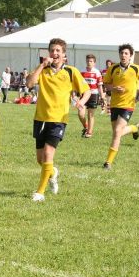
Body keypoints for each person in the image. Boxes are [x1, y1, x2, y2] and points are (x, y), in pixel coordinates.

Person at [26, 38, 90, 202]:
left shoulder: (71, 72)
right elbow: (29, 84)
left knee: (48, 154)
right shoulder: (44, 70)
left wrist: (81, 103)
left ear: (64, 54)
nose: (55, 54)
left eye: (58, 51)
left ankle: (40, 193)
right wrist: (41, 65)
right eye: (52, 51)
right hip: (40, 118)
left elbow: (87, 91)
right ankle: (53, 173)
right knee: (40, 160)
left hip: (59, 120)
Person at [102, 44, 139, 169]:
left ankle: (108, 162)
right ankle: (134, 128)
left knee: (117, 132)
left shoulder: (136, 69)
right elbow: (106, 84)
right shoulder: (113, 68)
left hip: (128, 104)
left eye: (126, 53)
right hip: (115, 104)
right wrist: (113, 88)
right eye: (122, 53)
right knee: (117, 132)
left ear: (130, 56)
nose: (123, 55)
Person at [78, 54, 104, 138]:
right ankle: (86, 127)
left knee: (90, 115)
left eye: (91, 61)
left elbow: (100, 86)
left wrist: (102, 96)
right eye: (88, 61)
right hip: (84, 95)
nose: (89, 63)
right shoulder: (82, 72)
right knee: (81, 114)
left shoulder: (97, 72)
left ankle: (89, 132)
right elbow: (78, 84)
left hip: (94, 94)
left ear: (94, 63)